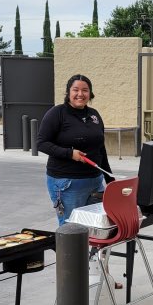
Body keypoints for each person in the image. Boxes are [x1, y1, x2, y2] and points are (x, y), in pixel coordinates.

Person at [37, 74, 112, 226]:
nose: (80, 94)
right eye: (75, 90)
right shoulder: (57, 113)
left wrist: (109, 179)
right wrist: (70, 154)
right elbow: (42, 143)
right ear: (68, 92)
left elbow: (101, 148)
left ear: (90, 93)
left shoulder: (94, 114)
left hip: (95, 182)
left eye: (85, 90)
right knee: (72, 230)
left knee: (95, 228)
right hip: (67, 183)